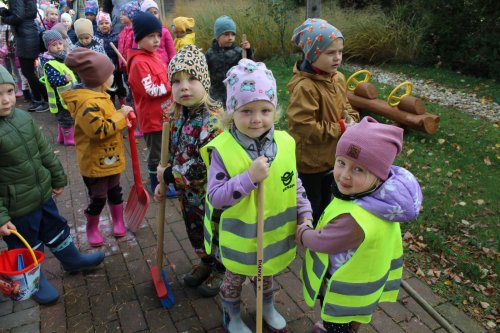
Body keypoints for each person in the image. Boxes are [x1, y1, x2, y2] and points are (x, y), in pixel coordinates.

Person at [200, 59, 313, 332]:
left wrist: (305, 214)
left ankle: (267, 307)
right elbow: (216, 196)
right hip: (241, 242)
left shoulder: (285, 143)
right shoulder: (223, 149)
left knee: (266, 277)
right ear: (231, 112)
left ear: (275, 110)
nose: (256, 119)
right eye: (246, 110)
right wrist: (249, 178)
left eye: (265, 109)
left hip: (273, 238)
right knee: (234, 281)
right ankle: (232, 315)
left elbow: (293, 182)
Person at [296, 116, 423, 333]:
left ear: (378, 175)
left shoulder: (355, 218)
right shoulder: (381, 200)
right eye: (341, 163)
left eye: (358, 170)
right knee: (355, 318)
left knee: (337, 322)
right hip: (367, 282)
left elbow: (323, 242)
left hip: (344, 291)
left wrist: (302, 233)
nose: (344, 176)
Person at [0, 65, 105, 305]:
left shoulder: (24, 118)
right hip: (16, 208)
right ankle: (33, 281)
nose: (6, 100)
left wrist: (57, 177)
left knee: (56, 228)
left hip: (42, 195)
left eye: (8, 91)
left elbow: (44, 151)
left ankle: (72, 259)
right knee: (27, 245)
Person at [154, 44, 224, 297]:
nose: (184, 86)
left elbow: (203, 168)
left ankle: (221, 269)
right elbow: (170, 155)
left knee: (214, 234)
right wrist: (163, 182)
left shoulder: (213, 121)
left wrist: (170, 175)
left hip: (211, 198)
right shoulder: (176, 116)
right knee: (194, 232)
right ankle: (205, 263)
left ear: (204, 81)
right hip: (188, 197)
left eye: (192, 78)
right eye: (176, 81)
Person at [287, 18, 360, 225]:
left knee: (328, 198)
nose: (337, 58)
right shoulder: (305, 87)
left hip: (333, 155)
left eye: (340, 51)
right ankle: (308, 235)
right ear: (311, 54)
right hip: (310, 162)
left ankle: (322, 230)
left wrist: (352, 119)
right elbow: (303, 126)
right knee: (312, 203)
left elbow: (345, 105)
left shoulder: (337, 78)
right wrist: (341, 127)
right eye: (330, 53)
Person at [61, 48, 133, 247]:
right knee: (98, 197)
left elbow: (110, 124)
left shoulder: (101, 96)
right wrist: (121, 116)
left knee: (115, 191)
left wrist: (120, 120)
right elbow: (99, 129)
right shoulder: (87, 103)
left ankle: (118, 221)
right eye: (110, 74)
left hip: (111, 158)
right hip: (94, 163)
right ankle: (92, 227)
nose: (113, 76)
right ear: (99, 78)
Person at [127, 11, 171, 193]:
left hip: (164, 115)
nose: (156, 40)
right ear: (139, 38)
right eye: (151, 36)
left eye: (158, 35)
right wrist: (172, 86)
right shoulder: (138, 63)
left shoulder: (154, 56)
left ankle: (166, 180)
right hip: (152, 120)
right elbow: (150, 90)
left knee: (166, 151)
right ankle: (156, 185)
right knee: (156, 154)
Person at [1, 0, 49, 112]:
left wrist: (4, 18)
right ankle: (39, 100)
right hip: (28, 34)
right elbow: (22, 13)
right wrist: (6, 12)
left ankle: (45, 100)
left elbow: (18, 17)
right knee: (29, 72)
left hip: (25, 37)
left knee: (28, 72)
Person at [39, 29, 76, 145]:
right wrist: (64, 79)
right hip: (59, 98)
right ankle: (69, 139)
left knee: (63, 118)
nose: (59, 47)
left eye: (60, 43)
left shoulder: (61, 57)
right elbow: (52, 80)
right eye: (54, 45)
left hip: (66, 95)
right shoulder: (50, 63)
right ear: (48, 47)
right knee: (66, 119)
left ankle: (61, 138)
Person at [205, 15, 253, 103]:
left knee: (233, 114)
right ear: (217, 36)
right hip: (216, 92)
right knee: (216, 114)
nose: (230, 37)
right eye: (226, 34)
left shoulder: (239, 52)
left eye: (233, 34)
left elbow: (249, 66)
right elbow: (203, 70)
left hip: (234, 90)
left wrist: (248, 51)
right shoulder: (210, 53)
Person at [95, 11, 127, 106]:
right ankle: (111, 103)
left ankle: (122, 102)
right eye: (101, 23)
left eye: (106, 23)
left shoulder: (116, 36)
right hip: (105, 69)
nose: (104, 25)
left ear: (110, 24)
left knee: (120, 85)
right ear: (98, 26)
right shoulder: (96, 38)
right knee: (109, 87)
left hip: (116, 67)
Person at [140, 0, 176, 68]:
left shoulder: (164, 31)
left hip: (164, 66)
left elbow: (171, 51)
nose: (153, 15)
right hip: (148, 66)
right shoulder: (141, 32)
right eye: (149, 12)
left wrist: (173, 66)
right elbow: (136, 48)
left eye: (155, 12)